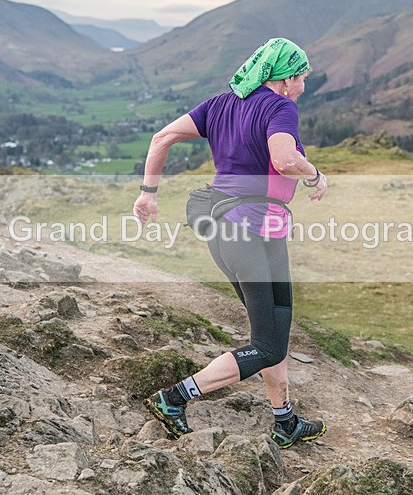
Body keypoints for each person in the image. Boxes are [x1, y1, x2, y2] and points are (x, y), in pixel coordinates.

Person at [133, 37, 328, 449]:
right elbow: (285, 160)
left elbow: (160, 138)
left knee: (275, 331)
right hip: (247, 235)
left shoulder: (219, 104)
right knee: (266, 345)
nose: (304, 86)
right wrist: (314, 175)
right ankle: (174, 398)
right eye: (303, 77)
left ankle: (285, 420)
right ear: (287, 77)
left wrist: (148, 193)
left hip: (244, 233)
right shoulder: (280, 107)